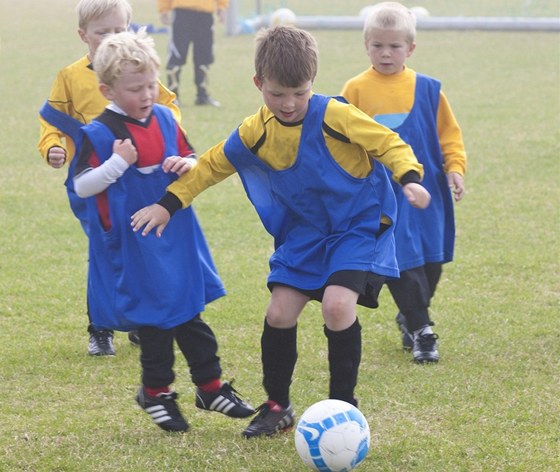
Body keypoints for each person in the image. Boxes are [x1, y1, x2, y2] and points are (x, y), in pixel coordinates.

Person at [131, 25, 431, 438]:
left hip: (355, 229)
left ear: (312, 83)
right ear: (258, 84)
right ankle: (277, 405)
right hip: (305, 237)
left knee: (337, 307)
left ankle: (343, 406)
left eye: (299, 93)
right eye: (276, 94)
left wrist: (410, 177)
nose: (289, 104)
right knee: (279, 312)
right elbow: (212, 165)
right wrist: (168, 204)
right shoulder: (256, 130)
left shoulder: (336, 115)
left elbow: (387, 143)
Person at [72, 29, 255, 432]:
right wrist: (116, 165)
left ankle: (210, 387)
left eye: (152, 84)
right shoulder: (99, 134)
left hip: (176, 235)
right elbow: (81, 185)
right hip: (137, 242)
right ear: (107, 89)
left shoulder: (166, 117)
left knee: (190, 310)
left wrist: (184, 164)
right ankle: (155, 393)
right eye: (135, 88)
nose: (147, 94)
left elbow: (190, 158)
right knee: (155, 322)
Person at [38, 0, 183, 356]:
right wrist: (52, 146)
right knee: (105, 251)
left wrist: (168, 139)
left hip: (136, 181)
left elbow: (168, 108)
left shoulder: (139, 71)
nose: (111, 38)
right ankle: (100, 328)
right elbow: (51, 120)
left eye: (119, 30)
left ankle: (139, 320)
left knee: (141, 247)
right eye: (103, 32)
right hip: (92, 181)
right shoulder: (71, 77)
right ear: (83, 35)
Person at [341, 2, 467, 363]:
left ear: (410, 48)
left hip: (429, 194)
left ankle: (410, 314)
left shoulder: (429, 89)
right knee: (403, 261)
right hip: (384, 196)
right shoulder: (355, 90)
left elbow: (449, 135)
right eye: (377, 45)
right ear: (366, 45)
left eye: (394, 46)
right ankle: (422, 330)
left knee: (432, 262)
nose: (385, 53)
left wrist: (455, 167)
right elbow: (340, 140)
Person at [158, 0, 229, 107]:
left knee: (204, 56)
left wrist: (222, 6)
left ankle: (202, 95)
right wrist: (163, 9)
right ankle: (173, 96)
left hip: (205, 13)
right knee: (177, 55)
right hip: (182, 12)